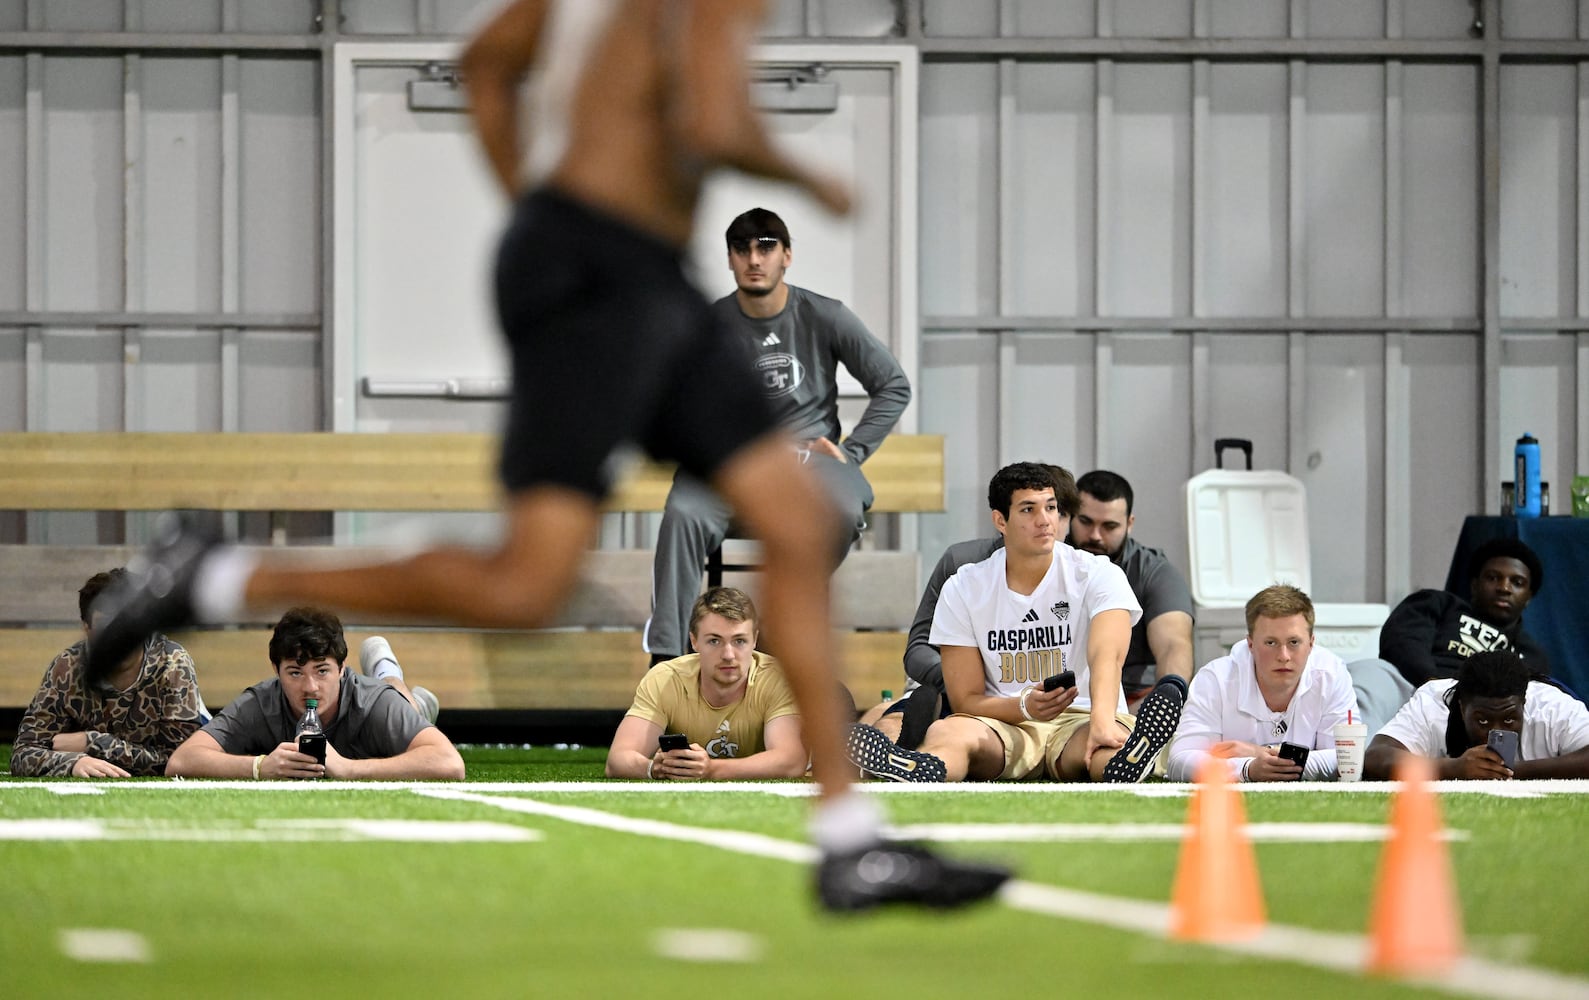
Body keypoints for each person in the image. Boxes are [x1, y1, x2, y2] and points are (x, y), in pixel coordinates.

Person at [86, 0, 1005, 910]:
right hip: (603, 273)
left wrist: (534, 206)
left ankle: (849, 841)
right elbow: (713, 118)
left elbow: (484, 63)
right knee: (527, 583)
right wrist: (806, 175)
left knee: (793, 524)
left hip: (622, 266)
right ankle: (218, 574)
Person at [644, 207, 909, 664]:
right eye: (742, 249)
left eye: (766, 248)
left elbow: (893, 384)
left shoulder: (826, 315)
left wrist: (852, 451)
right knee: (683, 512)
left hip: (809, 464)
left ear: (786, 255)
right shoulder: (707, 325)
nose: (754, 259)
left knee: (843, 508)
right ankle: (668, 660)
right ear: (730, 259)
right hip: (733, 462)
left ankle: (773, 634)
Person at [845, 462, 1189, 784]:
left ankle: (1127, 760)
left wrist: (1101, 718)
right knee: (947, 733)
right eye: (1029, 509)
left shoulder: (1099, 573)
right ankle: (918, 766)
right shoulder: (964, 585)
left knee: (1105, 745)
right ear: (1000, 520)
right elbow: (966, 698)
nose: (1045, 520)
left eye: (1051, 507)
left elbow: (1107, 655)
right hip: (1005, 720)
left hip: (1081, 716)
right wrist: (1024, 705)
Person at [165, 608, 464, 780]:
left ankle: (392, 677)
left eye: (322, 671)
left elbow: (450, 763)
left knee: (399, 702)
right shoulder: (261, 702)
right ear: (276, 670)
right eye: (295, 672)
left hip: (381, 698)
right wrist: (259, 766)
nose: (310, 687)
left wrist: (347, 768)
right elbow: (181, 761)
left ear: (343, 668)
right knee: (404, 717)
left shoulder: (373, 703)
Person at [9, 569, 205, 778]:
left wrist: (94, 743)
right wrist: (72, 763)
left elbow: (181, 762)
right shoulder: (67, 668)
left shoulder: (172, 664)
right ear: (87, 629)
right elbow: (23, 753)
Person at [1349, 537, 1549, 734]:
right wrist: (1432, 683)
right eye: (1493, 577)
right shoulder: (1440, 604)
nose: (1504, 588)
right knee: (1369, 672)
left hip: (1477, 714)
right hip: (1414, 687)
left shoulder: (1531, 654)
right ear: (1474, 584)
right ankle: (1359, 763)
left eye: (1517, 582)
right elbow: (1402, 640)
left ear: (1529, 597)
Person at [608, 587, 805, 780]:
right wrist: (655, 768)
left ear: (754, 640)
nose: (728, 655)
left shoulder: (777, 678)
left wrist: (711, 769)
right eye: (714, 641)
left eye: (739, 641)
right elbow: (617, 759)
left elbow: (791, 761)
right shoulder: (666, 679)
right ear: (694, 641)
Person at [1166, 584, 1357, 782]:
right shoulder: (1215, 679)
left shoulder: (1333, 675)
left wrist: (1262, 753)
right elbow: (1180, 760)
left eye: (1294, 642)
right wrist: (1246, 769)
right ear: (1250, 644)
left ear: (1311, 643)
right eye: (1271, 643)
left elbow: (1348, 758)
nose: (1283, 656)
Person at [1363, 650, 1589, 780]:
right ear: (1461, 707)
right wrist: (1453, 768)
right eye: (1482, 720)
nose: (1496, 731)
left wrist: (1511, 771)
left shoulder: (1551, 706)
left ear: (1524, 703)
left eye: (1510, 719)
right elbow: (1375, 757)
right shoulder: (1433, 703)